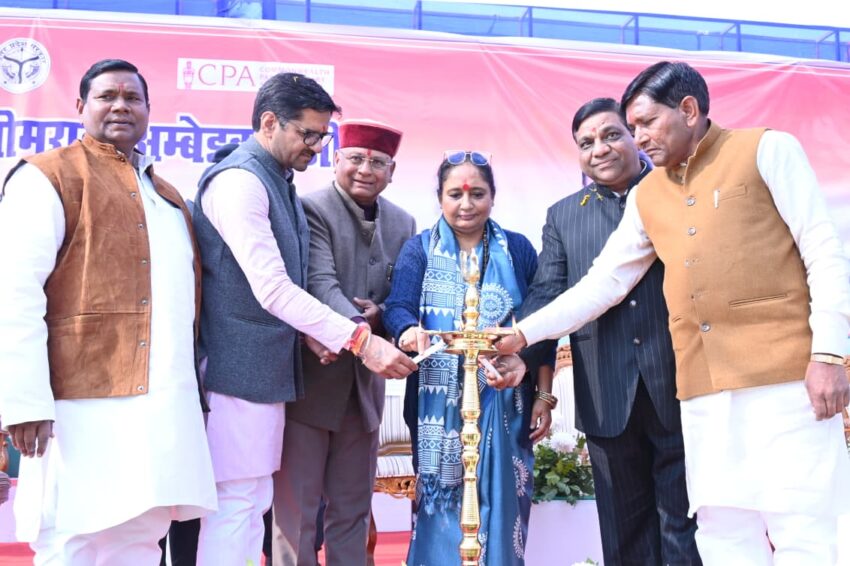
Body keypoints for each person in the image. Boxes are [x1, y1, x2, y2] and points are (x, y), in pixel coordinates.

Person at [496, 61, 850, 565]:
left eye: (645, 123)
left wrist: (829, 354)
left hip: (785, 380)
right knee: (723, 533)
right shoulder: (648, 194)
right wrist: (522, 334)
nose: (639, 137)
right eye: (633, 126)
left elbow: (824, 250)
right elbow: (603, 283)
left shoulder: (767, 150)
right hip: (702, 392)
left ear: (688, 109)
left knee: (803, 528)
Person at [191, 72, 416, 565]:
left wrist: (311, 334)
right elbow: (273, 287)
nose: (315, 146)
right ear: (270, 122)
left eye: (321, 137)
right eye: (308, 134)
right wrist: (361, 340)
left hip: (269, 375)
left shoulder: (278, 182)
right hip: (236, 371)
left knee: (250, 502)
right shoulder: (239, 183)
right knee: (237, 505)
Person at [0, 58, 217, 564]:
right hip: (79, 401)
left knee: (142, 536)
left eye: (132, 97)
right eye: (107, 96)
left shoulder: (167, 196)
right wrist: (24, 402)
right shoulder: (47, 176)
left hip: (164, 402)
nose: (121, 106)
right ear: (80, 106)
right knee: (71, 534)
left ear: (149, 110)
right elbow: (14, 292)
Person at [518, 97, 700, 565]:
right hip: (605, 390)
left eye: (611, 135)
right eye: (586, 143)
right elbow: (546, 294)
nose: (599, 149)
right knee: (623, 529)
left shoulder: (679, 193)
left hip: (680, 382)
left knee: (685, 525)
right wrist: (519, 352)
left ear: (635, 137)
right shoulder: (564, 216)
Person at [384, 151, 551, 565]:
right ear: (439, 197)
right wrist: (407, 331)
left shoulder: (517, 249)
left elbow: (543, 321)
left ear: (492, 196)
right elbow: (399, 306)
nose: (466, 204)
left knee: (504, 500)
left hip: (505, 395)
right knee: (439, 507)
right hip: (436, 400)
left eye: (477, 193)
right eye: (455, 194)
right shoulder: (419, 250)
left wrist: (544, 396)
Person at [271, 119, 416, 565]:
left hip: (364, 394)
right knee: (296, 514)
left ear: (392, 171)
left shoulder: (403, 222)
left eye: (377, 162)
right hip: (312, 384)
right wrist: (360, 331)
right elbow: (320, 281)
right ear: (336, 160)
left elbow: (403, 294)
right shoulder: (311, 208)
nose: (365, 170)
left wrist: (384, 314)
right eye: (355, 158)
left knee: (353, 511)